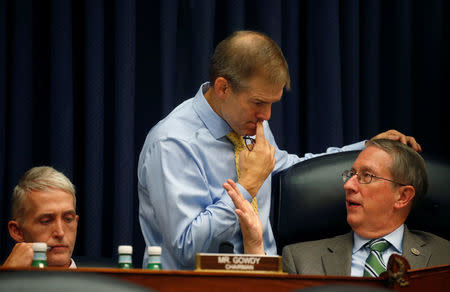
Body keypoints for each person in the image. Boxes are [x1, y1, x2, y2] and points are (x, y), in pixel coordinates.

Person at [137, 30, 421, 270]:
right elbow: (187, 250)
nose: (267, 116)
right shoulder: (172, 142)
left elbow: (290, 168)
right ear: (223, 87)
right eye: (259, 102)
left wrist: (364, 147)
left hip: (265, 278)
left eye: (272, 103)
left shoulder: (249, 123)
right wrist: (246, 186)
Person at [226, 139, 450, 275]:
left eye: (366, 176)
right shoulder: (301, 259)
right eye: (351, 175)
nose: (348, 185)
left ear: (402, 196)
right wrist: (254, 246)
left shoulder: (444, 257)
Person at [2, 166, 79, 268]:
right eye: (46, 221)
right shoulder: (6, 281)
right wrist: (8, 276)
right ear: (17, 231)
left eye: (68, 219)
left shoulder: (102, 282)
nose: (60, 233)